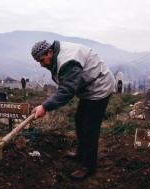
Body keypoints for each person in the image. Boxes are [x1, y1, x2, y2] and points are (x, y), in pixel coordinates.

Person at [31, 40, 115, 180]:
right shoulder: (58, 54)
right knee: (79, 120)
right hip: (88, 87)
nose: (41, 64)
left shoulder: (67, 61)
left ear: (50, 52)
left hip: (100, 87)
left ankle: (88, 166)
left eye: (42, 60)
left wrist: (45, 107)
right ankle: (81, 153)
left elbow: (67, 91)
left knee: (90, 129)